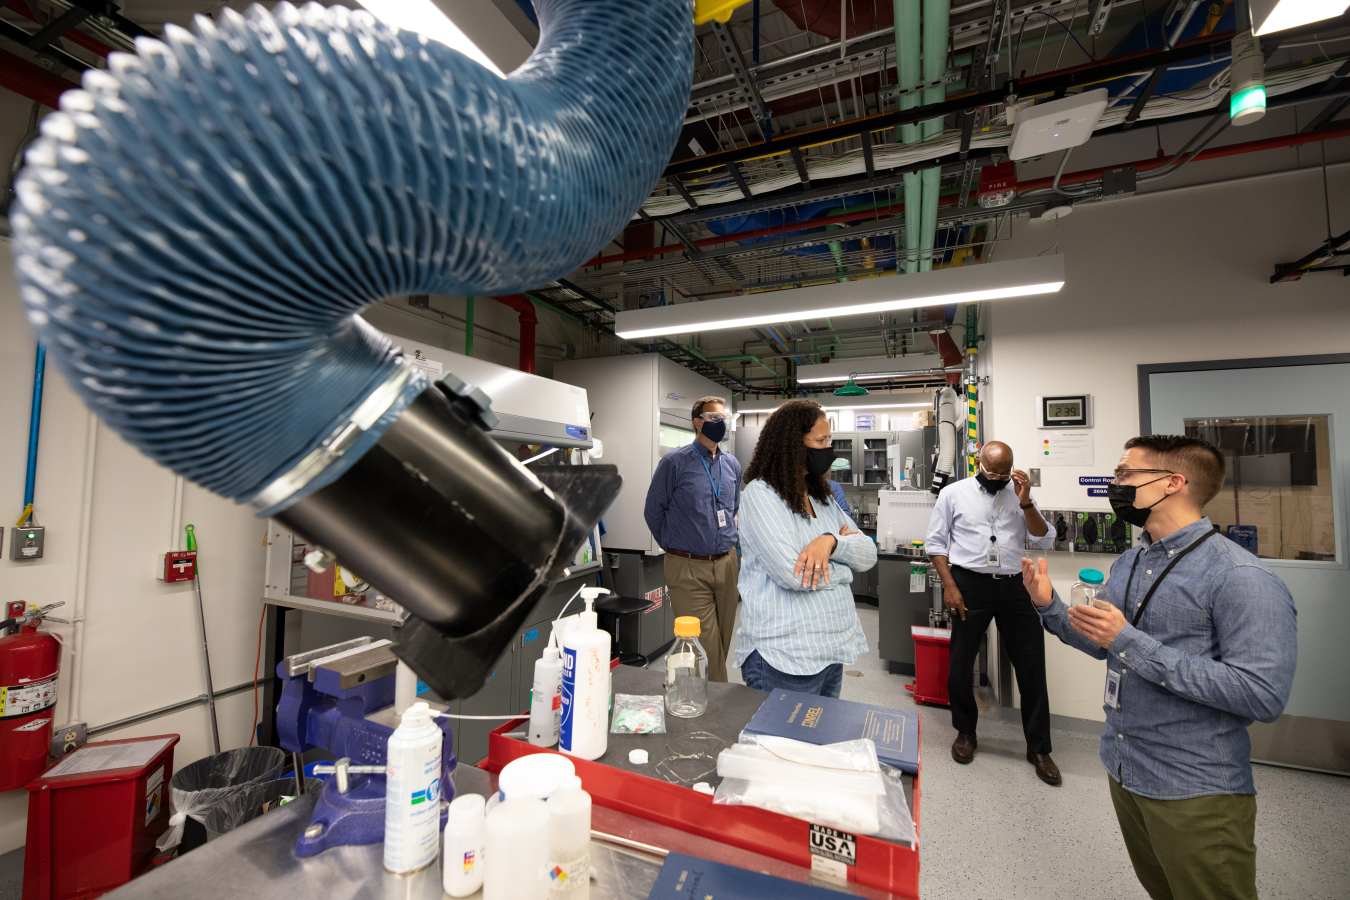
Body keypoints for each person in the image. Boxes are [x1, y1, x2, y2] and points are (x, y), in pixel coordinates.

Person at [1022, 434, 1296, 900]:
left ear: (1173, 482)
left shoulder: (1241, 578)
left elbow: (1260, 694)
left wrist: (1128, 639)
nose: (1115, 483)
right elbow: (1102, 645)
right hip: (1125, 768)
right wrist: (1047, 606)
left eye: (1126, 474)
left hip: (1193, 787)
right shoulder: (1131, 562)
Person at [925, 441, 1060, 784]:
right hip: (970, 584)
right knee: (960, 663)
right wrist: (950, 586)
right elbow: (936, 544)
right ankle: (966, 733)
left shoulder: (1018, 494)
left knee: (1030, 666)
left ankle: (1039, 748)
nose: (998, 478)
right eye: (992, 472)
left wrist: (1026, 499)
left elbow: (1044, 538)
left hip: (1015, 586)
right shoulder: (953, 494)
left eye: (1004, 473)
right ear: (978, 464)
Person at [733, 400, 877, 698]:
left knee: (816, 742)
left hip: (829, 651)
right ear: (792, 445)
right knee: (783, 745)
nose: (829, 448)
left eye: (830, 440)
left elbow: (868, 554)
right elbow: (795, 574)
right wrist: (845, 574)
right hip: (784, 657)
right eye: (821, 441)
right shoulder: (761, 495)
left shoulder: (821, 496)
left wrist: (831, 543)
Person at [643, 396, 741, 682]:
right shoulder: (674, 462)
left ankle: (700, 696)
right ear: (698, 422)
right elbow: (653, 511)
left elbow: (731, 509)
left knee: (722, 640)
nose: (720, 423)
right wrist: (675, 547)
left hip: (727, 563)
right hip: (687, 567)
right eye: (713, 418)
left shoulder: (732, 465)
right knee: (706, 646)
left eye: (724, 417)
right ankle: (716, 711)